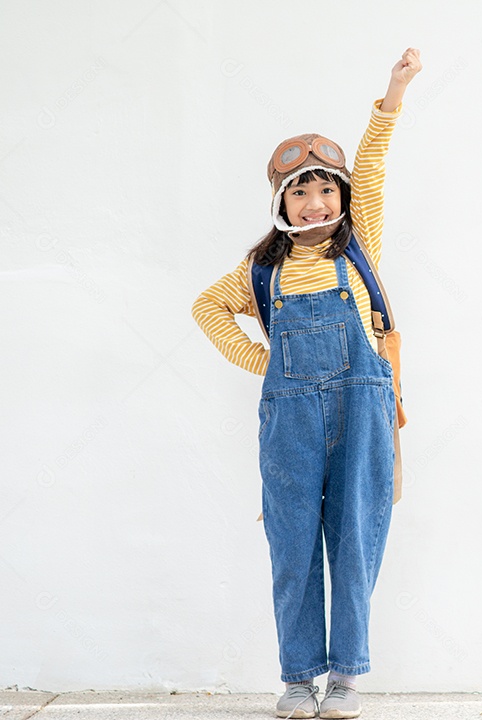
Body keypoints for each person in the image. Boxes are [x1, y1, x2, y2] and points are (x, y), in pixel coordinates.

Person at [191, 47, 422, 719]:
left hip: (363, 407)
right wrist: (267, 363)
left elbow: (373, 164)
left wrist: (393, 92)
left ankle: (346, 678)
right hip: (289, 418)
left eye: (327, 188)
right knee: (292, 544)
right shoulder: (261, 269)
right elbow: (207, 307)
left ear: (343, 197)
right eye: (301, 190)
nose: (316, 201)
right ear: (281, 199)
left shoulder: (360, 247)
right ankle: (298, 679)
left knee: (355, 536)